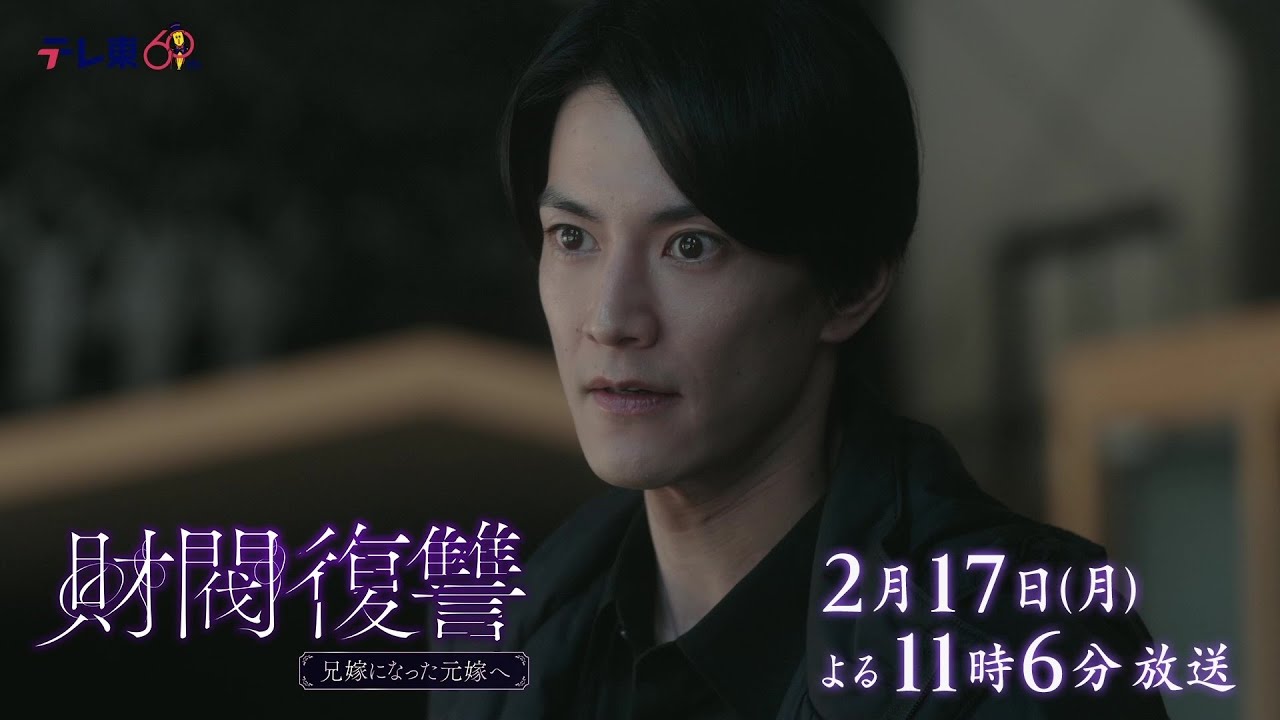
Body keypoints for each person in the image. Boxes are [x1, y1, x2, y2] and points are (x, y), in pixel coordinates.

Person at [429, 0, 1171, 718]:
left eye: (690, 246)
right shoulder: (507, 637)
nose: (610, 319)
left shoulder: (1022, 656)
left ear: (850, 286)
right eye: (572, 238)